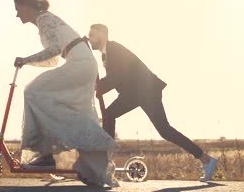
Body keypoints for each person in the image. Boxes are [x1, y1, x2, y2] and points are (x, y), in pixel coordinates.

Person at [13, 0, 118, 187]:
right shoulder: (45, 20)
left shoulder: (43, 19)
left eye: (18, 8)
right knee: (55, 102)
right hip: (84, 63)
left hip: (79, 64)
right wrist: (27, 62)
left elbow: (53, 50)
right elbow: (54, 60)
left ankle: (44, 154)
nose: (17, 14)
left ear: (27, 6)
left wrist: (25, 60)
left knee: (33, 92)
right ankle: (85, 156)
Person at [88, 23, 218, 182]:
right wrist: (98, 86)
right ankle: (206, 159)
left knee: (114, 116)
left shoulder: (114, 49)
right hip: (138, 92)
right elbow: (116, 77)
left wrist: (98, 87)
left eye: (92, 35)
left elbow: (117, 76)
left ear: (103, 35)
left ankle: (105, 160)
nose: (89, 38)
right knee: (163, 129)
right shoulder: (107, 53)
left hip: (144, 91)